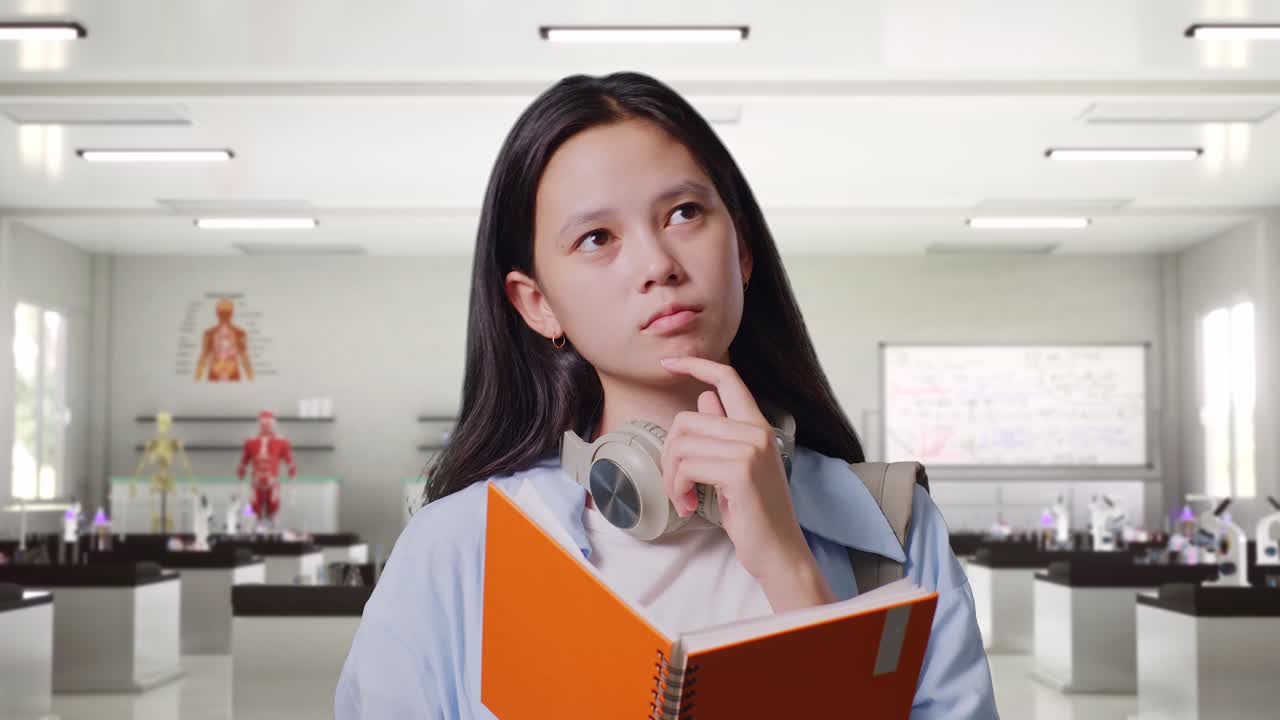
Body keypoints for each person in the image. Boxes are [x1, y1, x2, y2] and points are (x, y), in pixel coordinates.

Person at [335, 72, 999, 718]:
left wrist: (789, 568)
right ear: (537, 305)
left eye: (685, 213)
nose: (658, 264)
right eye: (598, 238)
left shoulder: (891, 528)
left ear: (740, 246)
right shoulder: (460, 547)